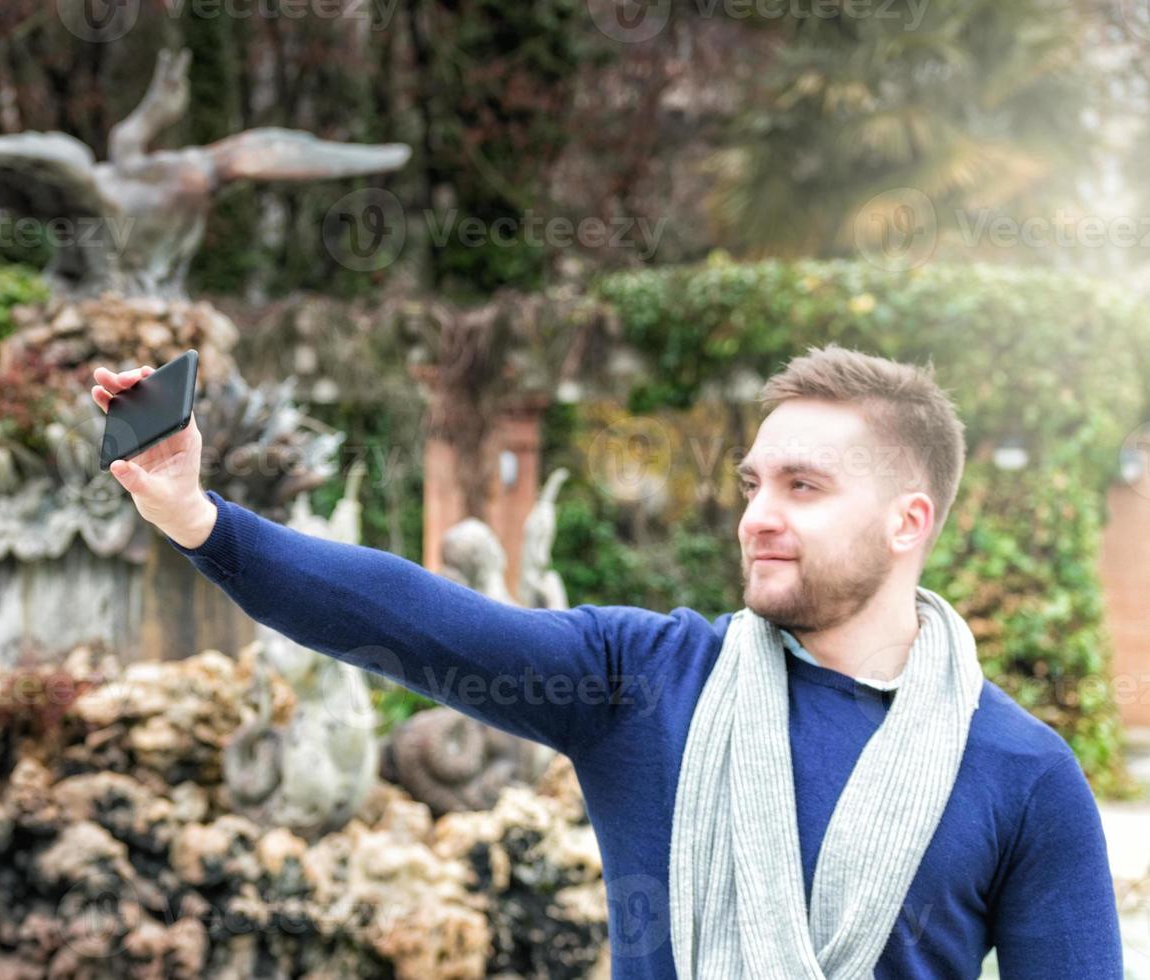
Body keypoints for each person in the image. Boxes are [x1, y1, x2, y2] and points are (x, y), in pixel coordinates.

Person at [92, 344, 1122, 979]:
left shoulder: (1022, 774)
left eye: (804, 487)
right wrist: (197, 516)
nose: (757, 514)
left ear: (910, 521)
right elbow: (412, 617)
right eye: (754, 481)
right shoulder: (643, 680)